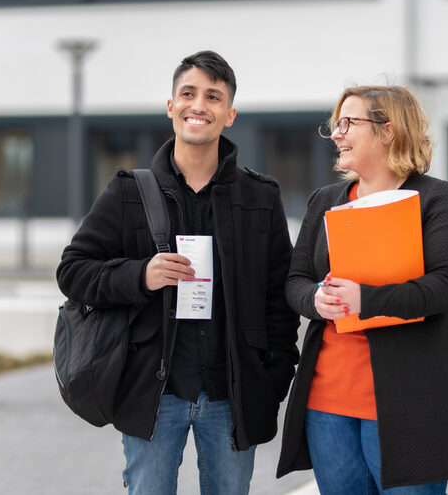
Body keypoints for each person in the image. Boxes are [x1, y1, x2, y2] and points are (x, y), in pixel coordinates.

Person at [56, 50, 300, 495]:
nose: (198, 105)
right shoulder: (129, 191)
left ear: (229, 114)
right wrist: (139, 276)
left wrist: (273, 378)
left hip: (232, 396)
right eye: (188, 93)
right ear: (171, 107)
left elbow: (278, 296)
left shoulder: (260, 196)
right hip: (153, 394)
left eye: (213, 96)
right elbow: (72, 271)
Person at [276, 85, 448, 494]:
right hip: (328, 402)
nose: (336, 134)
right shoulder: (325, 200)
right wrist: (316, 300)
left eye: (348, 123)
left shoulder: (437, 199)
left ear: (388, 131)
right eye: (336, 124)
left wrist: (364, 299)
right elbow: (295, 280)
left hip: (410, 403)